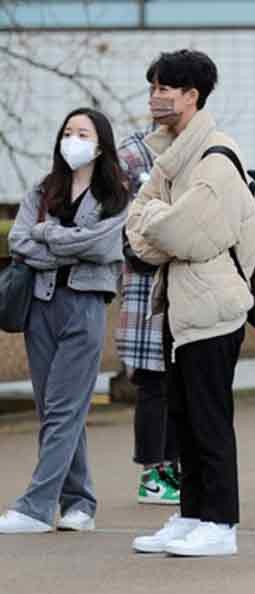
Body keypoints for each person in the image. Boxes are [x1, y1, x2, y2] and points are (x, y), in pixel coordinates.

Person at [127, 50, 255, 557]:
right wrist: (160, 219)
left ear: (192, 95)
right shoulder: (172, 156)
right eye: (153, 86)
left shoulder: (216, 156)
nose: (155, 96)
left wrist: (158, 219)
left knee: (209, 418)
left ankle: (221, 523)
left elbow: (187, 233)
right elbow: (138, 226)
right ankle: (193, 512)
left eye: (165, 87)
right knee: (181, 417)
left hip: (212, 304)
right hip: (179, 303)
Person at [0, 107, 129, 534]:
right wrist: (64, 243)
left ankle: (37, 506)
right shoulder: (44, 188)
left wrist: (49, 237)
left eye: (83, 132)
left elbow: (103, 246)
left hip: (85, 305)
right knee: (55, 408)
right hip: (40, 304)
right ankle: (80, 502)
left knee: (61, 408)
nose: (73, 139)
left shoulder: (116, 194)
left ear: (101, 143)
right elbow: (18, 240)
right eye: (68, 131)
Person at [117, 124, 181, 506]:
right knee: (153, 385)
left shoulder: (201, 146)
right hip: (146, 288)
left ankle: (172, 464)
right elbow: (127, 229)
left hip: (186, 286)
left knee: (180, 385)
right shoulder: (132, 155)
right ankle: (153, 472)